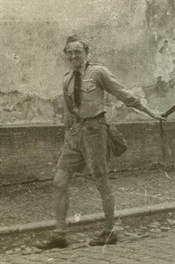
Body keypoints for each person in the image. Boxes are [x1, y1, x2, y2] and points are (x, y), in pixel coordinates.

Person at [37, 36, 165, 249]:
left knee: (101, 181)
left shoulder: (98, 72)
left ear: (87, 54)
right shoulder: (67, 78)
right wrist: (68, 135)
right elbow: (68, 113)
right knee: (59, 181)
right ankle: (59, 235)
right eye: (70, 52)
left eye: (78, 52)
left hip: (95, 132)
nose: (74, 56)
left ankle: (109, 231)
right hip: (75, 134)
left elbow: (123, 93)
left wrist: (151, 113)